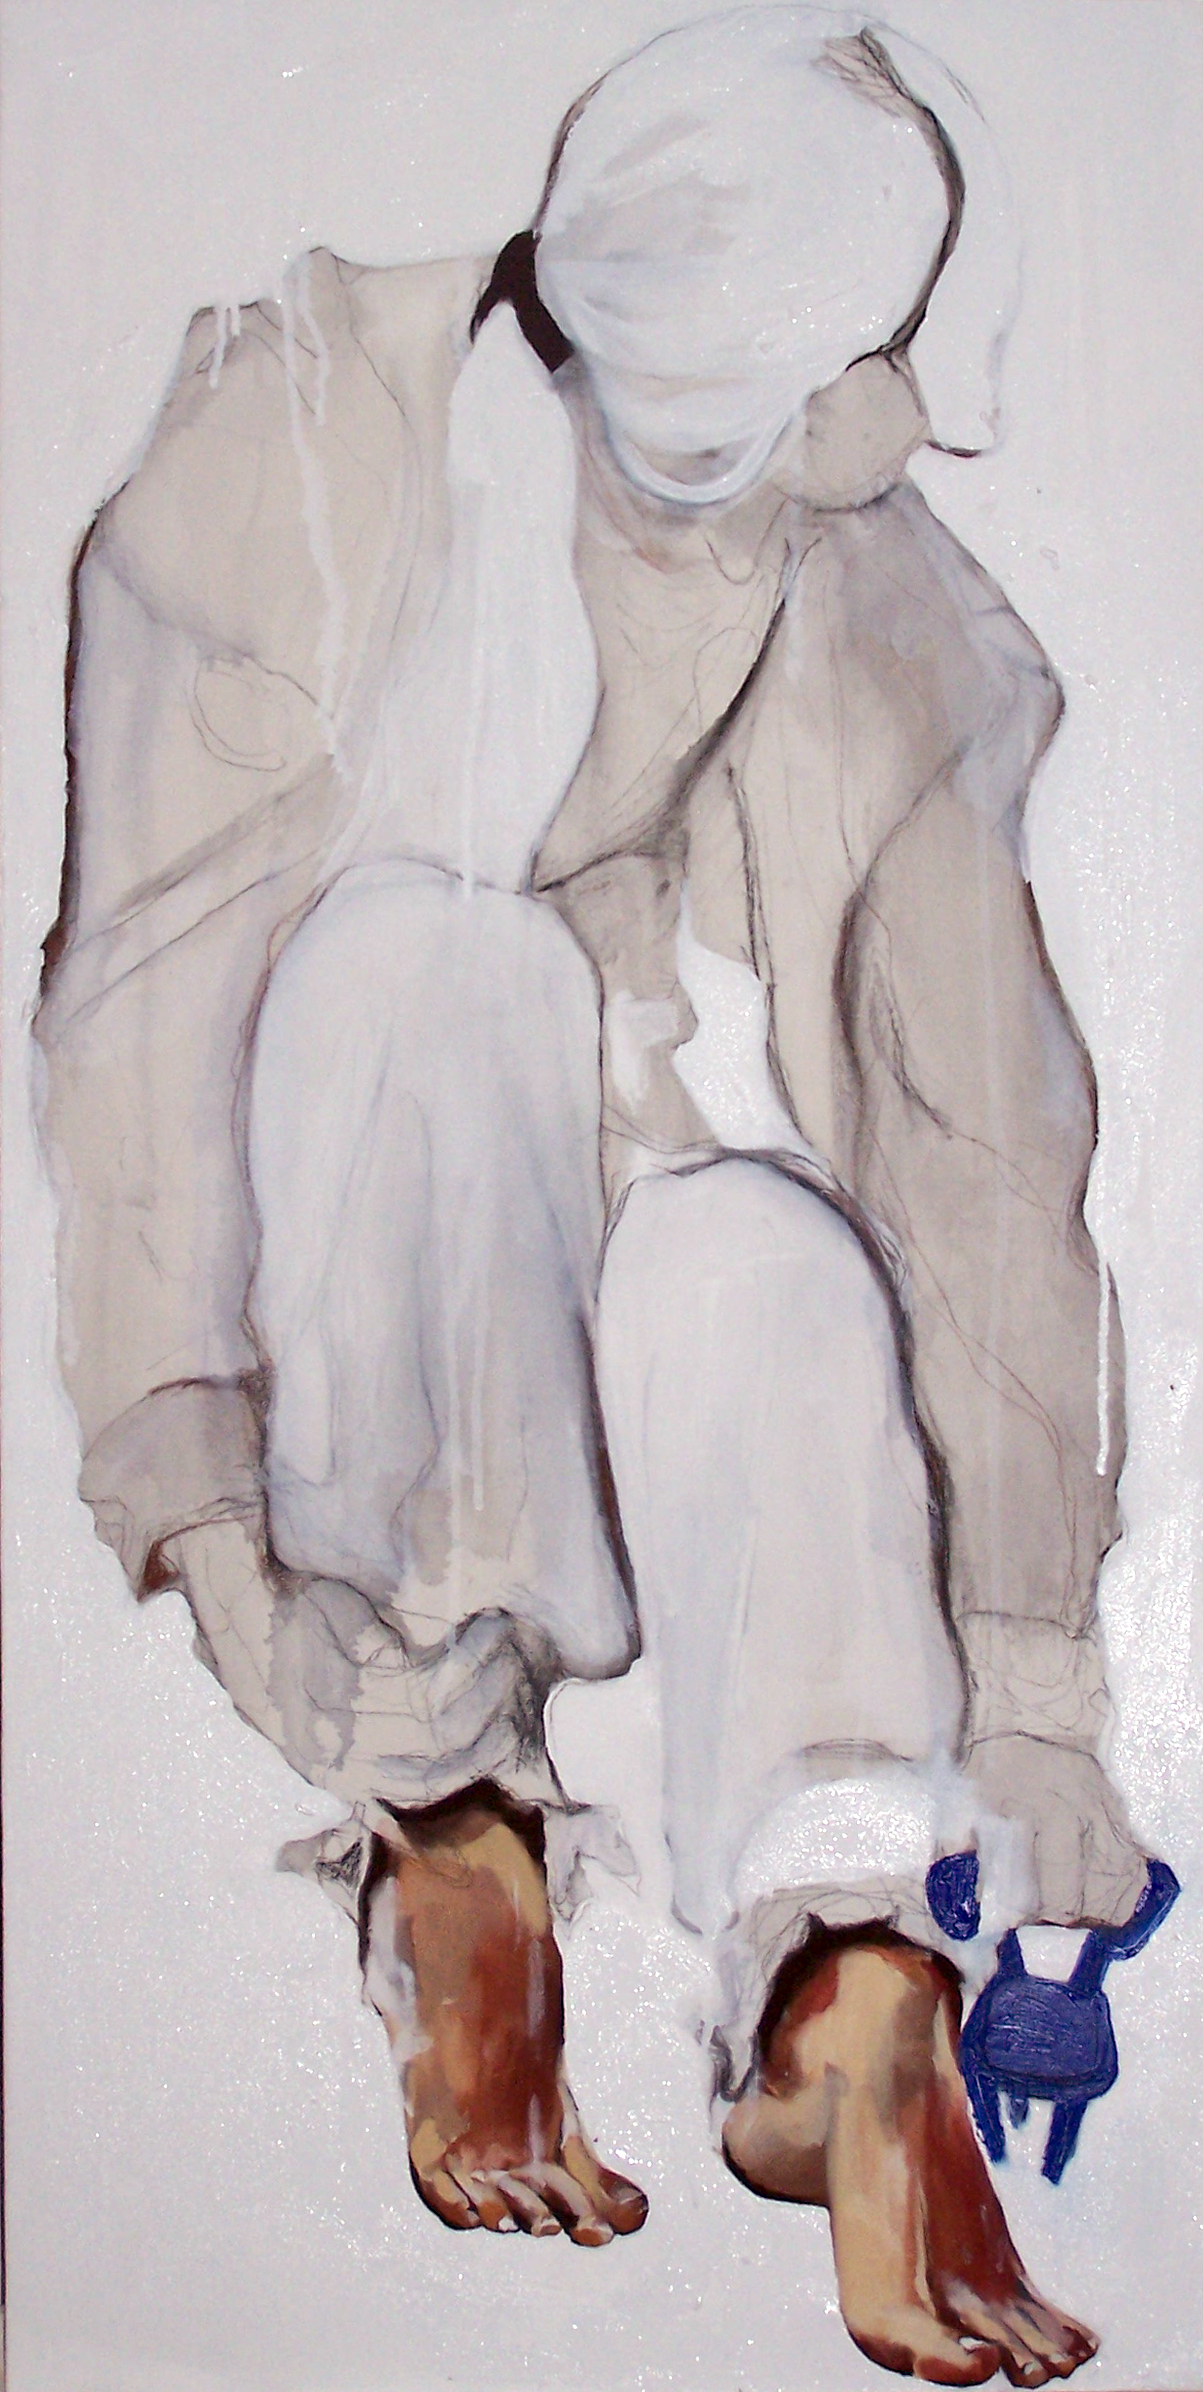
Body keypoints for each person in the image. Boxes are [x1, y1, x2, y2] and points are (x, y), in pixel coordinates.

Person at [35, 8, 1153, 2380]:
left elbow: (974, 1145)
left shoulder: (874, 602)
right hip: (351, 1250)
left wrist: (1033, 1686)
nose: (909, 420)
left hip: (624, 1244)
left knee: (771, 1251)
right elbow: (137, 1021)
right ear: (757, 384)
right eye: (865, 364)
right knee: (434, 974)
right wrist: (216, 1539)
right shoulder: (289, 444)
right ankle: (457, 1835)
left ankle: (844, 1977)